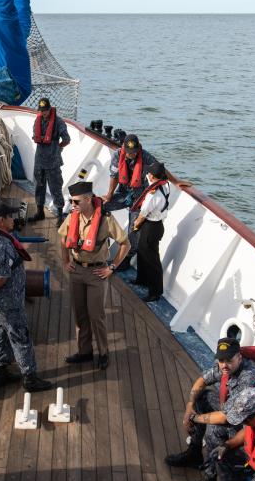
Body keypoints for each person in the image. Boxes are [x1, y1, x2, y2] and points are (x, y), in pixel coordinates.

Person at [165, 338, 255, 481]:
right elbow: (202, 380)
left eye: (229, 360)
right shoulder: (227, 366)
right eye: (221, 360)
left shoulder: (248, 379)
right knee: (202, 397)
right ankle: (194, 453)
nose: (224, 365)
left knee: (214, 432)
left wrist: (193, 418)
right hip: (239, 413)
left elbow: (226, 418)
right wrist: (189, 406)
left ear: (239, 358)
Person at [0, 200, 53, 392]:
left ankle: (0, 371)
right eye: (11, 216)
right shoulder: (2, 243)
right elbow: (3, 276)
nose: (14, 219)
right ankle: (30, 378)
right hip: (8, 300)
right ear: (1, 220)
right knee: (20, 336)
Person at [58, 181, 131, 370]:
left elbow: (125, 244)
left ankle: (103, 353)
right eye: (71, 201)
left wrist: (112, 267)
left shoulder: (106, 220)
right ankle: (85, 352)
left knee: (96, 316)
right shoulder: (73, 216)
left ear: (88, 199)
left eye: (76, 202)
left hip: (97, 273)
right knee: (80, 315)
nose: (72, 205)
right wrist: (66, 261)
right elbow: (63, 239)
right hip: (76, 271)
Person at [100, 134, 189, 270]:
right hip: (123, 193)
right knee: (101, 207)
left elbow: (161, 169)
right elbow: (114, 176)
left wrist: (176, 182)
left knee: (133, 230)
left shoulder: (146, 157)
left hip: (139, 197)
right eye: (130, 153)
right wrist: (109, 195)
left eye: (135, 152)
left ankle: (127, 258)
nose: (132, 155)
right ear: (123, 147)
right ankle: (102, 242)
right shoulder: (118, 155)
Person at [131, 160, 170, 302]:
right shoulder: (165, 185)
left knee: (152, 260)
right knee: (142, 253)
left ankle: (155, 292)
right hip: (156, 226)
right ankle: (142, 279)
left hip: (150, 227)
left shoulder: (153, 194)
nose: (147, 173)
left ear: (153, 176)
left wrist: (136, 224)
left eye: (149, 172)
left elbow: (143, 213)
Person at [28, 97, 70, 227]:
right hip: (39, 160)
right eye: (41, 111)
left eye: (45, 111)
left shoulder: (58, 122)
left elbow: (67, 139)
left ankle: (59, 214)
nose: (44, 113)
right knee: (39, 186)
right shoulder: (38, 120)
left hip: (53, 161)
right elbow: (35, 134)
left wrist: (58, 148)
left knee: (55, 187)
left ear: (49, 109)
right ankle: (40, 212)